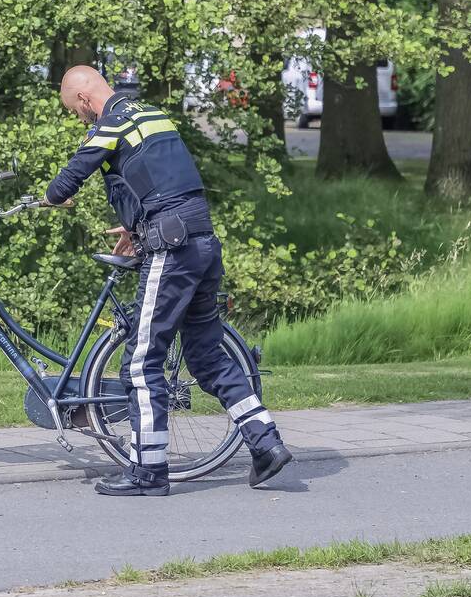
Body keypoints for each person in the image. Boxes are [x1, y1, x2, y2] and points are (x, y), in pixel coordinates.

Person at [44, 66, 292, 497]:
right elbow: (164, 180)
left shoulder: (111, 122)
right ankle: (266, 443)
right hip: (201, 242)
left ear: (84, 100)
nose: (80, 120)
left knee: (141, 361)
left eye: (75, 112)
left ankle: (148, 471)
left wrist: (52, 197)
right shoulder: (153, 115)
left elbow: (68, 180)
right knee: (207, 358)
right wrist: (138, 224)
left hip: (172, 251)